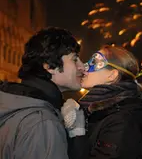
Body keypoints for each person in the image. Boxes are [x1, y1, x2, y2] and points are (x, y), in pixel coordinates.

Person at [0, 27, 86, 159]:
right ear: (50, 66)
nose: (82, 66)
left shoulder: (15, 104)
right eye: (75, 59)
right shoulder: (42, 122)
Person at [62, 45, 142, 159]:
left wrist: (77, 133)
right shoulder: (96, 110)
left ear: (112, 75)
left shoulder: (122, 120)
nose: (85, 68)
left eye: (94, 63)